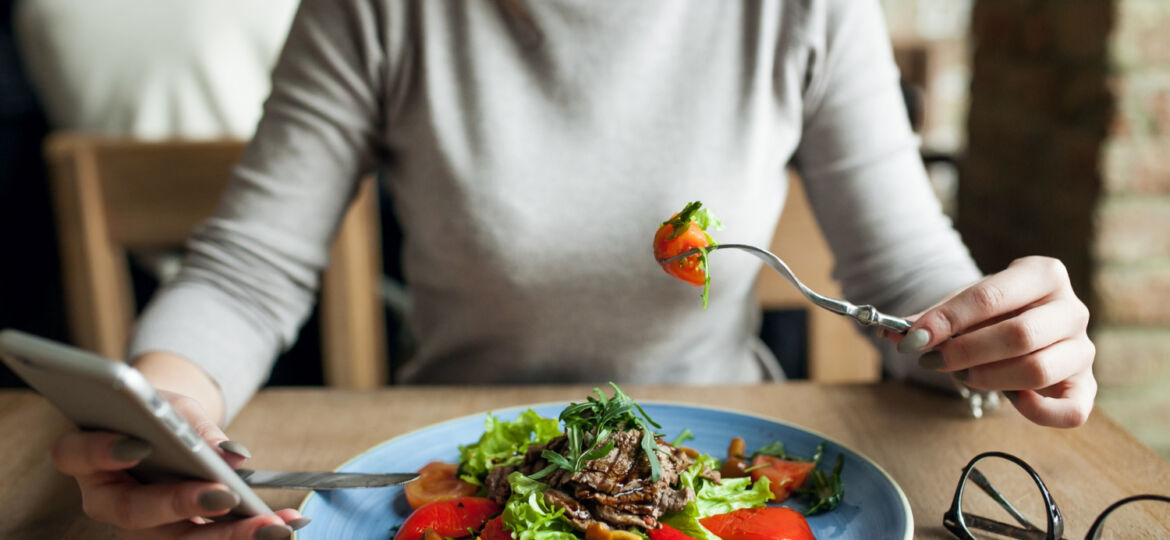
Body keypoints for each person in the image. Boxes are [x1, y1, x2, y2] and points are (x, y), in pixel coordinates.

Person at [47, 0, 1096, 538]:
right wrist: (171, 412)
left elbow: (904, 271)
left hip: (724, 484)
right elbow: (245, 271)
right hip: (453, 491)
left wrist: (998, 341)